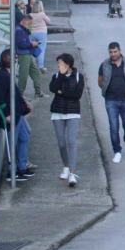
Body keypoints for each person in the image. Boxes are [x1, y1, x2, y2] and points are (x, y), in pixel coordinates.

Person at [0, 49, 34, 182]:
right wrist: (7, 115)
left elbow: (15, 94)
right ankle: (11, 171)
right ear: (10, 60)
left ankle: (22, 166)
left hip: (18, 113)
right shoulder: (1, 77)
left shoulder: (7, 75)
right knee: (12, 142)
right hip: (12, 115)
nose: (17, 61)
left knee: (25, 136)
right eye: (15, 58)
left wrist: (25, 104)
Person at [49, 53, 85, 188]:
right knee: (61, 143)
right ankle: (66, 166)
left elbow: (77, 95)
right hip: (57, 112)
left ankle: (72, 173)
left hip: (73, 112)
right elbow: (52, 88)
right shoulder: (57, 76)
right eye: (58, 64)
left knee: (71, 141)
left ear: (68, 64)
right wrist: (62, 77)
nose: (59, 66)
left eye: (61, 63)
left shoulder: (78, 76)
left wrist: (61, 92)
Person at [98, 41, 125, 163]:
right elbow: (100, 81)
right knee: (114, 127)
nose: (113, 54)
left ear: (120, 51)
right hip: (111, 100)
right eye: (111, 52)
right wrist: (106, 90)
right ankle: (117, 151)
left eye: (115, 51)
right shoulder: (104, 64)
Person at [16, 14, 44, 98]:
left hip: (27, 53)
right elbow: (21, 44)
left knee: (35, 72)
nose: (30, 25)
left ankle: (38, 91)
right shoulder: (19, 30)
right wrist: (32, 44)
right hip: (23, 54)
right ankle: (20, 93)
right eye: (30, 23)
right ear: (25, 21)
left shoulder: (21, 29)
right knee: (23, 75)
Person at [30, 0, 52, 73]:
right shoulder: (42, 14)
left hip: (32, 33)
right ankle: (40, 67)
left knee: (30, 49)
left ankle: (31, 65)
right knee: (41, 50)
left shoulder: (30, 15)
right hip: (41, 34)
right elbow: (48, 21)